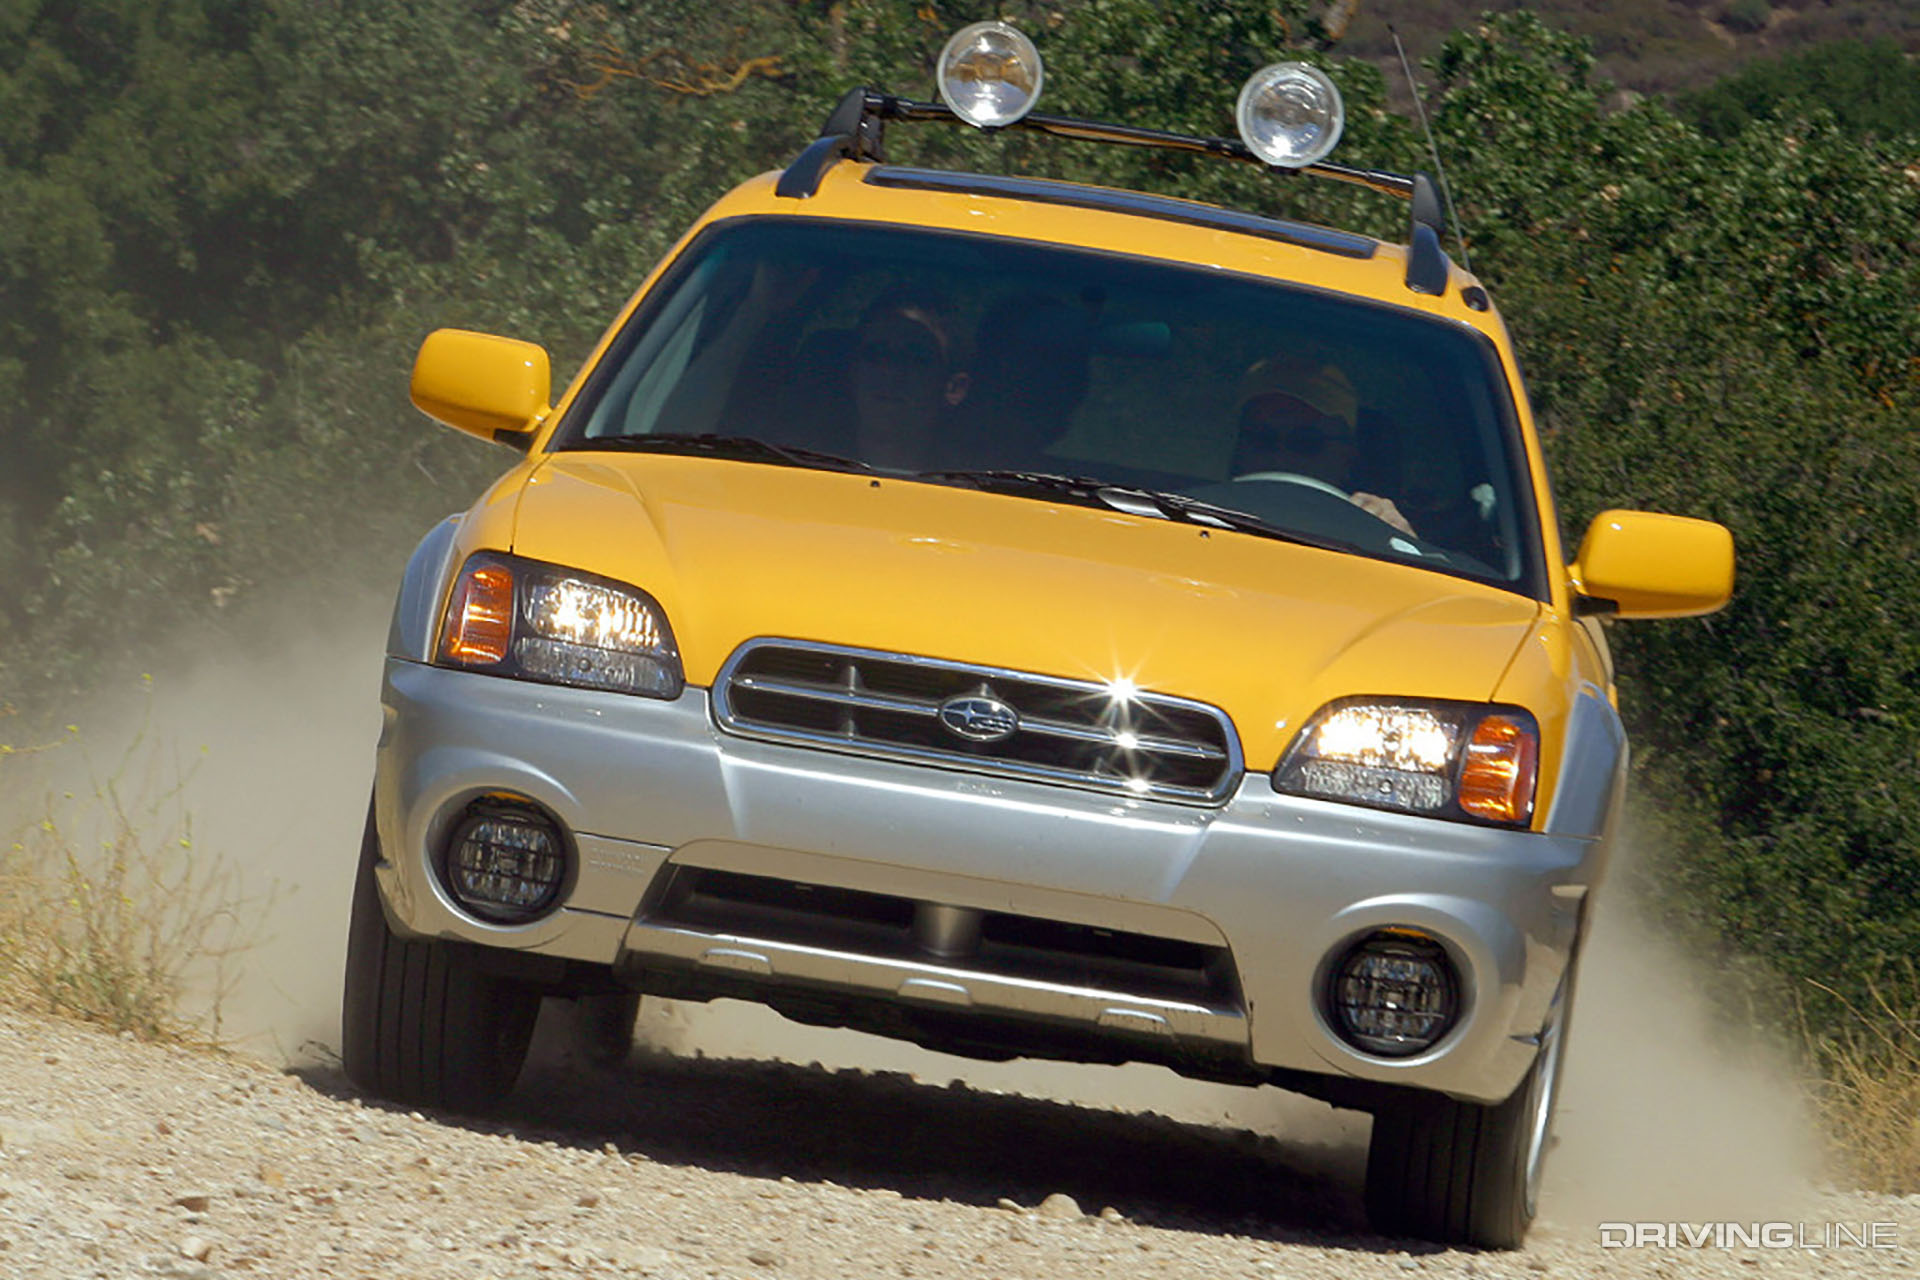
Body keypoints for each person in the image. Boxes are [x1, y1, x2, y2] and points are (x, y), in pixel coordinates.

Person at [1229, 354, 1415, 536]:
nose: (1281, 457)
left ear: (1347, 455)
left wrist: (1398, 540)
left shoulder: (1372, 533)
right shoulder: (1201, 511)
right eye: (1262, 439)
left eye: (1306, 442)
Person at [847, 286, 971, 470]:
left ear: (954, 388)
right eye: (876, 354)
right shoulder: (794, 463)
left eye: (916, 359)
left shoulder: (983, 489)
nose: (890, 371)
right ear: (853, 370)